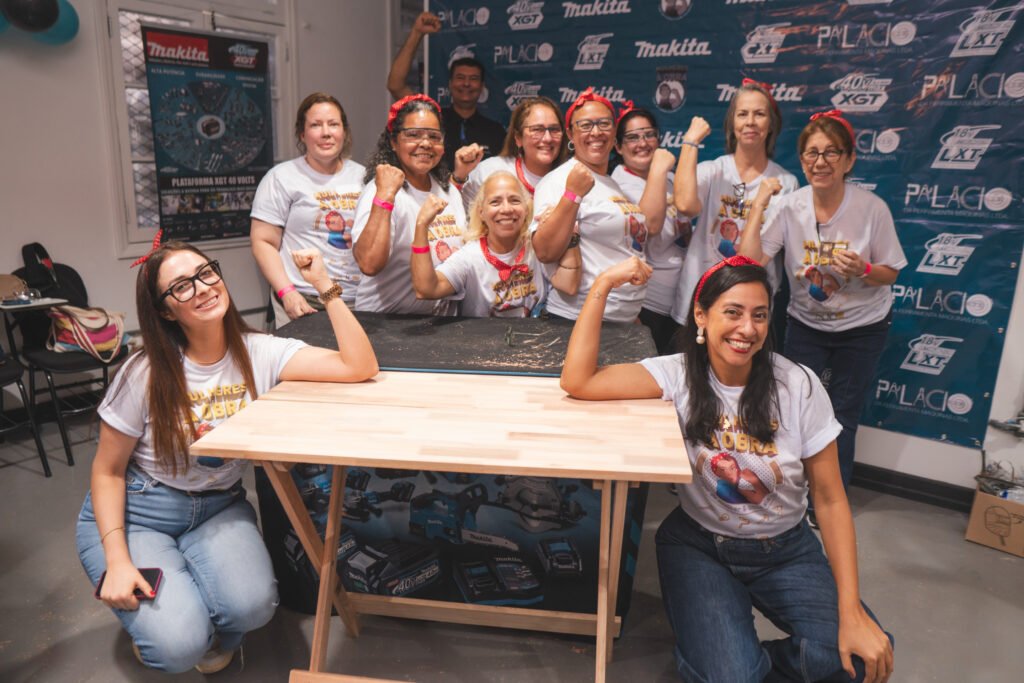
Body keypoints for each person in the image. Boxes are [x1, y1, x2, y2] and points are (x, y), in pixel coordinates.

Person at [560, 255, 894, 683]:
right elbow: (579, 381)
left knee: (863, 659)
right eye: (732, 313)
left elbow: (830, 500)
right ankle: (734, 663)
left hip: (786, 549)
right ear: (701, 316)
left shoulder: (798, 385)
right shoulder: (677, 374)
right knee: (734, 675)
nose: (747, 329)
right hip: (700, 546)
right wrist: (603, 283)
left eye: (759, 316)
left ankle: (744, 662)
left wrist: (851, 611)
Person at [76, 242, 378, 674]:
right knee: (177, 647)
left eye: (206, 273)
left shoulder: (260, 351)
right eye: (181, 286)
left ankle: (200, 619)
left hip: (217, 505)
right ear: (164, 311)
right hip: (141, 511)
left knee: (253, 607)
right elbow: (107, 472)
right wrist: (119, 562)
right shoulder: (143, 372)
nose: (201, 288)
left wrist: (322, 284)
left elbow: (359, 366)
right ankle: (174, 625)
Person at [737, 110, 907, 496]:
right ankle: (789, 493)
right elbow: (750, 261)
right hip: (807, 324)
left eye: (832, 153)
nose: (821, 162)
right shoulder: (791, 206)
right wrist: (761, 203)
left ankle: (828, 500)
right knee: (794, 408)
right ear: (802, 161)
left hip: (862, 328)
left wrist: (863, 268)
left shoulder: (871, 209)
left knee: (842, 414)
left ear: (849, 160)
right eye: (811, 154)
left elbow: (890, 273)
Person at [670, 79, 800, 326]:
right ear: (732, 123)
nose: (750, 121)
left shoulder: (787, 182)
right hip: (700, 299)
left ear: (771, 123)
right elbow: (686, 206)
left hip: (751, 309)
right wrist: (690, 142)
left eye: (759, 114)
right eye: (742, 114)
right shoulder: (713, 170)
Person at [531, 88, 664, 323]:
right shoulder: (559, 180)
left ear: (614, 134)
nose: (596, 132)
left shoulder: (612, 183)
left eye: (604, 124)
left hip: (625, 320)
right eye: (585, 125)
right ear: (570, 134)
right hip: (579, 319)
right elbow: (545, 251)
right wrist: (572, 195)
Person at [251, 93, 365, 327]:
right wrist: (287, 293)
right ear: (302, 134)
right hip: (304, 300)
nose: (326, 132)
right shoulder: (281, 178)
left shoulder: (365, 177)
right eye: (316, 125)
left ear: (344, 131)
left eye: (333, 124)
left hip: (358, 301)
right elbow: (263, 242)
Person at [352, 94, 466, 315]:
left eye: (434, 136)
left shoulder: (448, 190)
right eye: (413, 135)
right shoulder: (380, 192)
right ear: (393, 142)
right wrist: (385, 196)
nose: (425, 143)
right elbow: (369, 264)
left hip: (436, 325)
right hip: (385, 324)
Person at [410, 171, 577, 317]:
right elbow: (426, 289)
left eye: (514, 200)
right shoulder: (470, 257)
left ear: (526, 209)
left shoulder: (536, 247)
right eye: (495, 202)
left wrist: (569, 228)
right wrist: (421, 226)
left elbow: (568, 285)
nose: (506, 209)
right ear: (481, 212)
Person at [611, 105, 688, 352]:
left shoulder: (670, 178)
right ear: (618, 147)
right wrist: (658, 168)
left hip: (678, 303)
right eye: (632, 137)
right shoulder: (618, 185)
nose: (642, 143)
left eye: (648, 134)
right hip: (645, 304)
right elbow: (650, 226)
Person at [386, 11, 506, 169]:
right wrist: (417, 33)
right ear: (450, 83)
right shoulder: (432, 120)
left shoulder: (495, 131)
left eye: (474, 79)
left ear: (482, 86)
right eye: (460, 77)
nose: (466, 84)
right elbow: (395, 85)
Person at [457, 96, 568, 211]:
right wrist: (458, 177)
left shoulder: (572, 177)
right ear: (518, 138)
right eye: (537, 129)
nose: (547, 138)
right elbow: (459, 216)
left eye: (554, 129)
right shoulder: (489, 171)